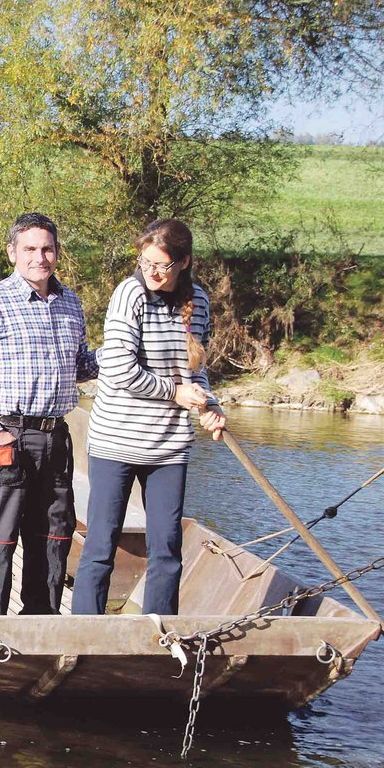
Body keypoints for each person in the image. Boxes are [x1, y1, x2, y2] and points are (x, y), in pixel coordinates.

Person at [71, 218, 226, 617]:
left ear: (184, 263)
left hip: (169, 447)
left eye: (162, 265)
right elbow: (119, 369)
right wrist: (175, 393)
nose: (152, 272)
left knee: (167, 549)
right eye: (145, 262)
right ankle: (85, 631)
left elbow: (194, 370)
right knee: (101, 545)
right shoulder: (130, 294)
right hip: (116, 441)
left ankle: (157, 635)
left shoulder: (200, 303)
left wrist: (210, 405)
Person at [0, 212, 100, 616]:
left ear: (57, 252)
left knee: (53, 535)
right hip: (6, 438)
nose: (40, 257)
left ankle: (40, 623)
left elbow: (81, 366)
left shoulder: (70, 303)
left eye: (47, 248)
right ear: (12, 252)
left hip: (56, 440)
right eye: (30, 248)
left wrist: (119, 351)